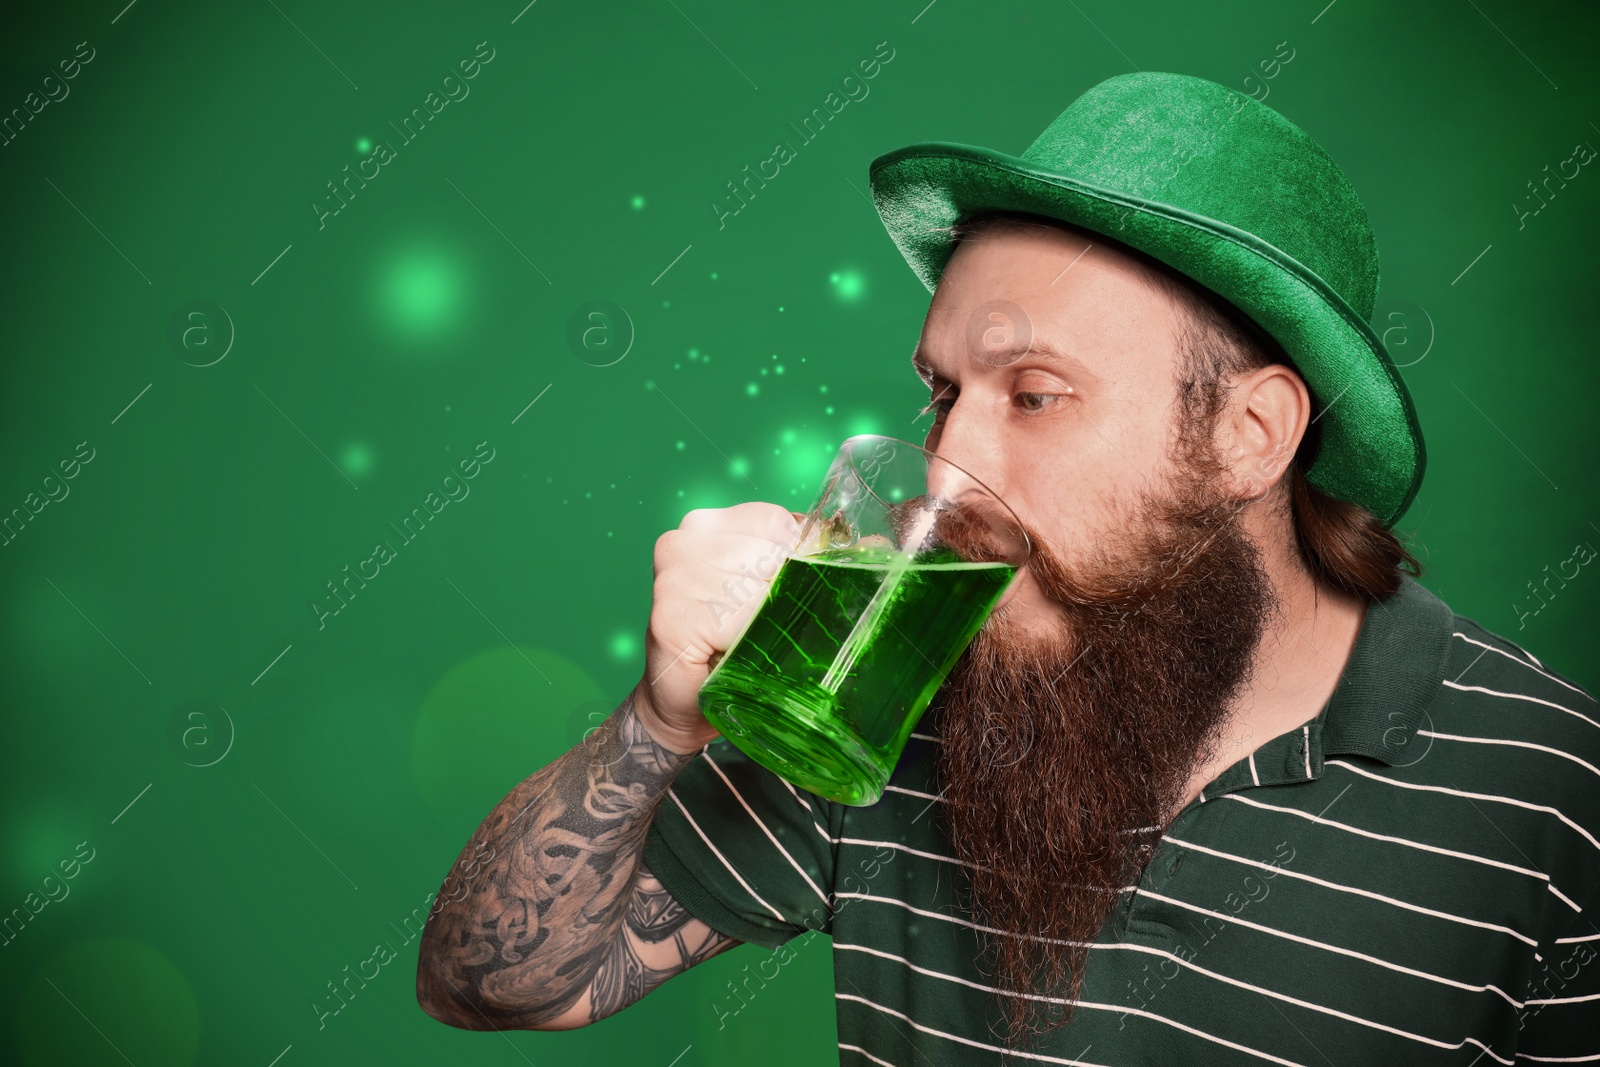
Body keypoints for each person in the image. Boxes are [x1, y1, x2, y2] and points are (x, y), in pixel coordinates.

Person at [415, 71, 1600, 1064]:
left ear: (1249, 437)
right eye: (942, 391)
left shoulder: (1556, 796)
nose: (945, 465)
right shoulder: (891, 692)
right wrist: (661, 716)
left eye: (1033, 394)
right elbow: (494, 980)